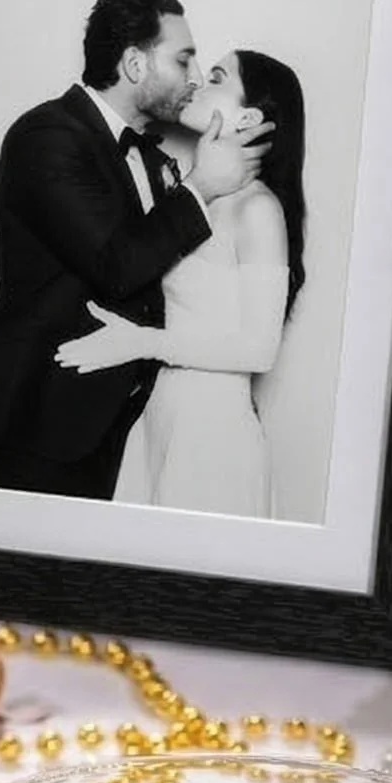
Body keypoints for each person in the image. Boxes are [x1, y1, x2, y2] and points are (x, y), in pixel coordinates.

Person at [0, 0, 270, 498]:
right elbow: (117, 265)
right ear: (134, 65)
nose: (193, 76)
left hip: (119, 434)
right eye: (183, 60)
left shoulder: (151, 157)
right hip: (37, 429)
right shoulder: (46, 137)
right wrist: (202, 187)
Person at [53, 50, 306, 519]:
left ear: (247, 116)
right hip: (161, 419)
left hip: (213, 433)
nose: (196, 81)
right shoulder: (192, 194)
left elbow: (259, 351)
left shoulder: (259, 211)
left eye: (216, 77)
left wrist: (141, 342)